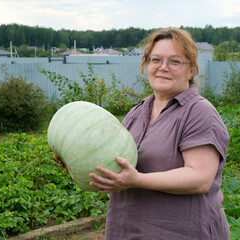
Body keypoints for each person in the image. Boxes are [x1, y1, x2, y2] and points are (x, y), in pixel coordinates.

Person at [55, 27, 230, 239]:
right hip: (128, 229)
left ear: (191, 70)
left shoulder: (199, 112)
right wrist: (79, 160)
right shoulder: (136, 113)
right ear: (147, 65)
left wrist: (137, 180)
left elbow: (200, 178)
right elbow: (119, 166)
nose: (163, 67)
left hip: (181, 232)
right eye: (156, 60)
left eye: (174, 61)